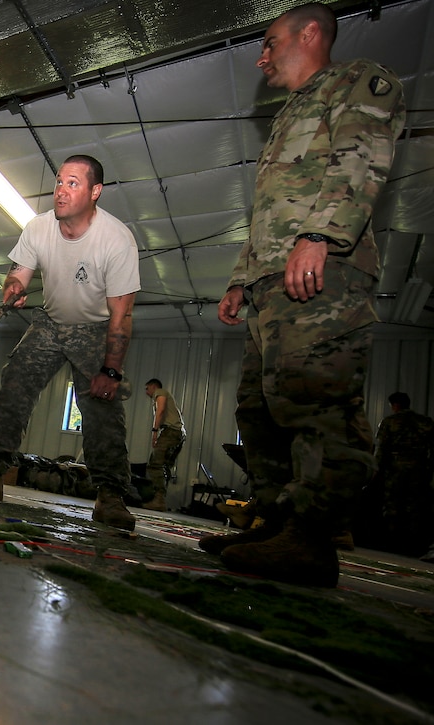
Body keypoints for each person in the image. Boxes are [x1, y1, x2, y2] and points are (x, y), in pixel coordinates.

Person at [204, 3, 405, 586]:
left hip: (325, 271)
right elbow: (269, 212)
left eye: (270, 42)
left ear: (310, 32)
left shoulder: (356, 82)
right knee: (259, 407)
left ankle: (313, 539)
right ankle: (274, 523)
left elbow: (360, 160)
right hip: (272, 283)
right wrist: (242, 278)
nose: (262, 57)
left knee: (316, 401)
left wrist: (320, 235)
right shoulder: (291, 112)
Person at [0, 155, 141, 531]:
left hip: (96, 329)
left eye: (72, 183)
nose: (61, 191)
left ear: (95, 191)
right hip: (49, 322)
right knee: (14, 383)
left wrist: (110, 370)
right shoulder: (38, 227)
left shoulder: (116, 240)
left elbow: (122, 316)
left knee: (102, 406)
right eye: (58, 182)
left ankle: (110, 497)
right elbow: (16, 276)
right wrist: (13, 288)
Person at [359, 393, 434, 555]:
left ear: (394, 405)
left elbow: (380, 451)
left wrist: (373, 472)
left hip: (395, 469)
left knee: (393, 505)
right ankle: (413, 544)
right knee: (414, 506)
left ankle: (393, 543)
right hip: (418, 469)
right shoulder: (426, 423)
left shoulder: (389, 423)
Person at [142, 378, 186, 512]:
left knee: (155, 464)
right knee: (164, 465)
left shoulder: (160, 392)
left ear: (154, 386)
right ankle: (159, 498)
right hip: (179, 433)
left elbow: (160, 410)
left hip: (171, 432)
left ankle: (159, 499)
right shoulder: (163, 394)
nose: (146, 392)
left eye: (147, 388)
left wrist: (154, 431)